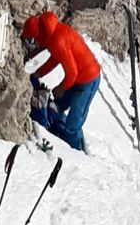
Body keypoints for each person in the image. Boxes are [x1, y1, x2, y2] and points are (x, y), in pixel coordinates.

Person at [20, 9, 102, 153]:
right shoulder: (53, 34)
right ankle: (62, 138)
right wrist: (40, 72)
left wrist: (62, 88)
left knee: (73, 125)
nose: (35, 44)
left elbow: (72, 72)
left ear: (37, 35)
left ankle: (79, 155)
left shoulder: (57, 40)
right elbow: (55, 59)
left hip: (88, 80)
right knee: (56, 106)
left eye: (32, 39)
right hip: (77, 79)